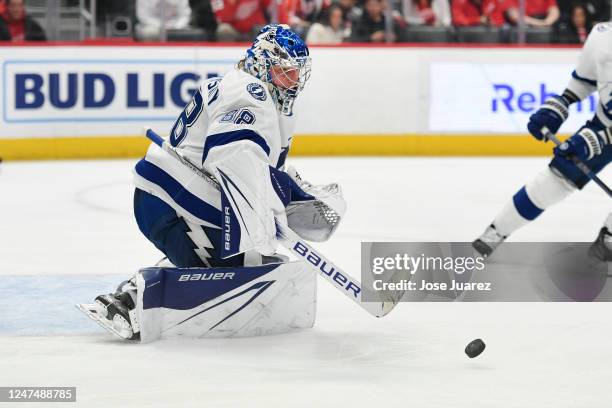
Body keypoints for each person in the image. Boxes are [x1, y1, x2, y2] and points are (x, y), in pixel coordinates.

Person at [80, 25, 346, 340]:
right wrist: (274, 207)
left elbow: (257, 167)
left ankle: (130, 298)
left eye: (296, 74)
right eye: (284, 72)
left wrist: (287, 190)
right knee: (246, 263)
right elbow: (233, 160)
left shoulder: (258, 95)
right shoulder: (251, 91)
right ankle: (131, 301)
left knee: (239, 264)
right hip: (173, 200)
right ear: (262, 63)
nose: (293, 81)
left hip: (172, 197)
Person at [472, 22, 612, 258]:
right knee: (559, 176)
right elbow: (584, 80)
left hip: (605, 130)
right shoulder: (602, 36)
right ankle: (495, 233)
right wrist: (562, 103)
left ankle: (608, 242)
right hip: (605, 123)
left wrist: (600, 138)